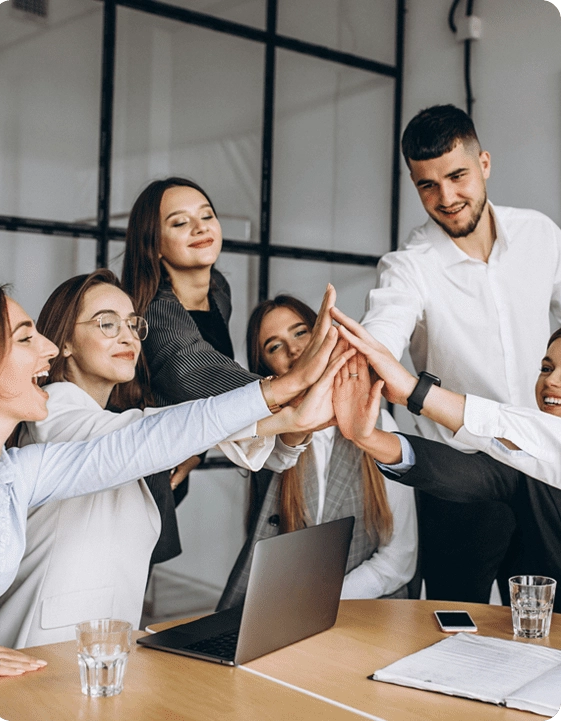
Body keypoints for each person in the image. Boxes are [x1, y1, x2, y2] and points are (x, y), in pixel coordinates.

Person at [0, 282, 349, 674]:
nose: (127, 335)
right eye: (107, 324)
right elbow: (144, 438)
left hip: (101, 651)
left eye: (132, 324)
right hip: (43, 651)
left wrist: (292, 421)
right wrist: (281, 392)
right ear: (67, 341)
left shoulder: (43, 458)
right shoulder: (59, 409)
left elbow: (153, 436)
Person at [361, 104, 561, 604]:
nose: (446, 198)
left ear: (484, 163)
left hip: (542, 471)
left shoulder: (540, 234)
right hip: (459, 480)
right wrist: (366, 360)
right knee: (452, 627)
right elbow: (381, 334)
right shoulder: (409, 267)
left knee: (549, 627)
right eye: (427, 184)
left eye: (457, 176)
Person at [330, 307, 561, 611]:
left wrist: (415, 391)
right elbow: (461, 472)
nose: (552, 381)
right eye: (546, 368)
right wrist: (368, 438)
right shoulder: (526, 463)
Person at [122, 177, 320, 520]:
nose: (200, 228)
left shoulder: (218, 292)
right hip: (131, 468)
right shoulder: (154, 310)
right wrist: (301, 384)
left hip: (174, 458)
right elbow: (202, 374)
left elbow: (198, 396)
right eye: (180, 223)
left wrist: (197, 450)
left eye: (207, 215)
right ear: (154, 245)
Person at [217, 296, 417, 611]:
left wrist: (319, 600)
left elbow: (399, 559)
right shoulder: (268, 439)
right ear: (265, 368)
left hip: (365, 610)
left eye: (300, 333)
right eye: (274, 346)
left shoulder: (378, 424)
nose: (294, 350)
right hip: (283, 608)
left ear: (324, 335)